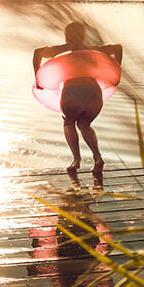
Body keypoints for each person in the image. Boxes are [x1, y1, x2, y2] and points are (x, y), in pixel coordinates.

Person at [33, 22, 123, 175]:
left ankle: (76, 159)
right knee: (85, 124)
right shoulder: (93, 49)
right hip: (94, 92)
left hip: (72, 91)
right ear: (83, 35)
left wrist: (38, 78)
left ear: (67, 35)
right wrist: (116, 70)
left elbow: (37, 52)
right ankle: (97, 157)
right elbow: (117, 48)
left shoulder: (62, 49)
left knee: (69, 122)